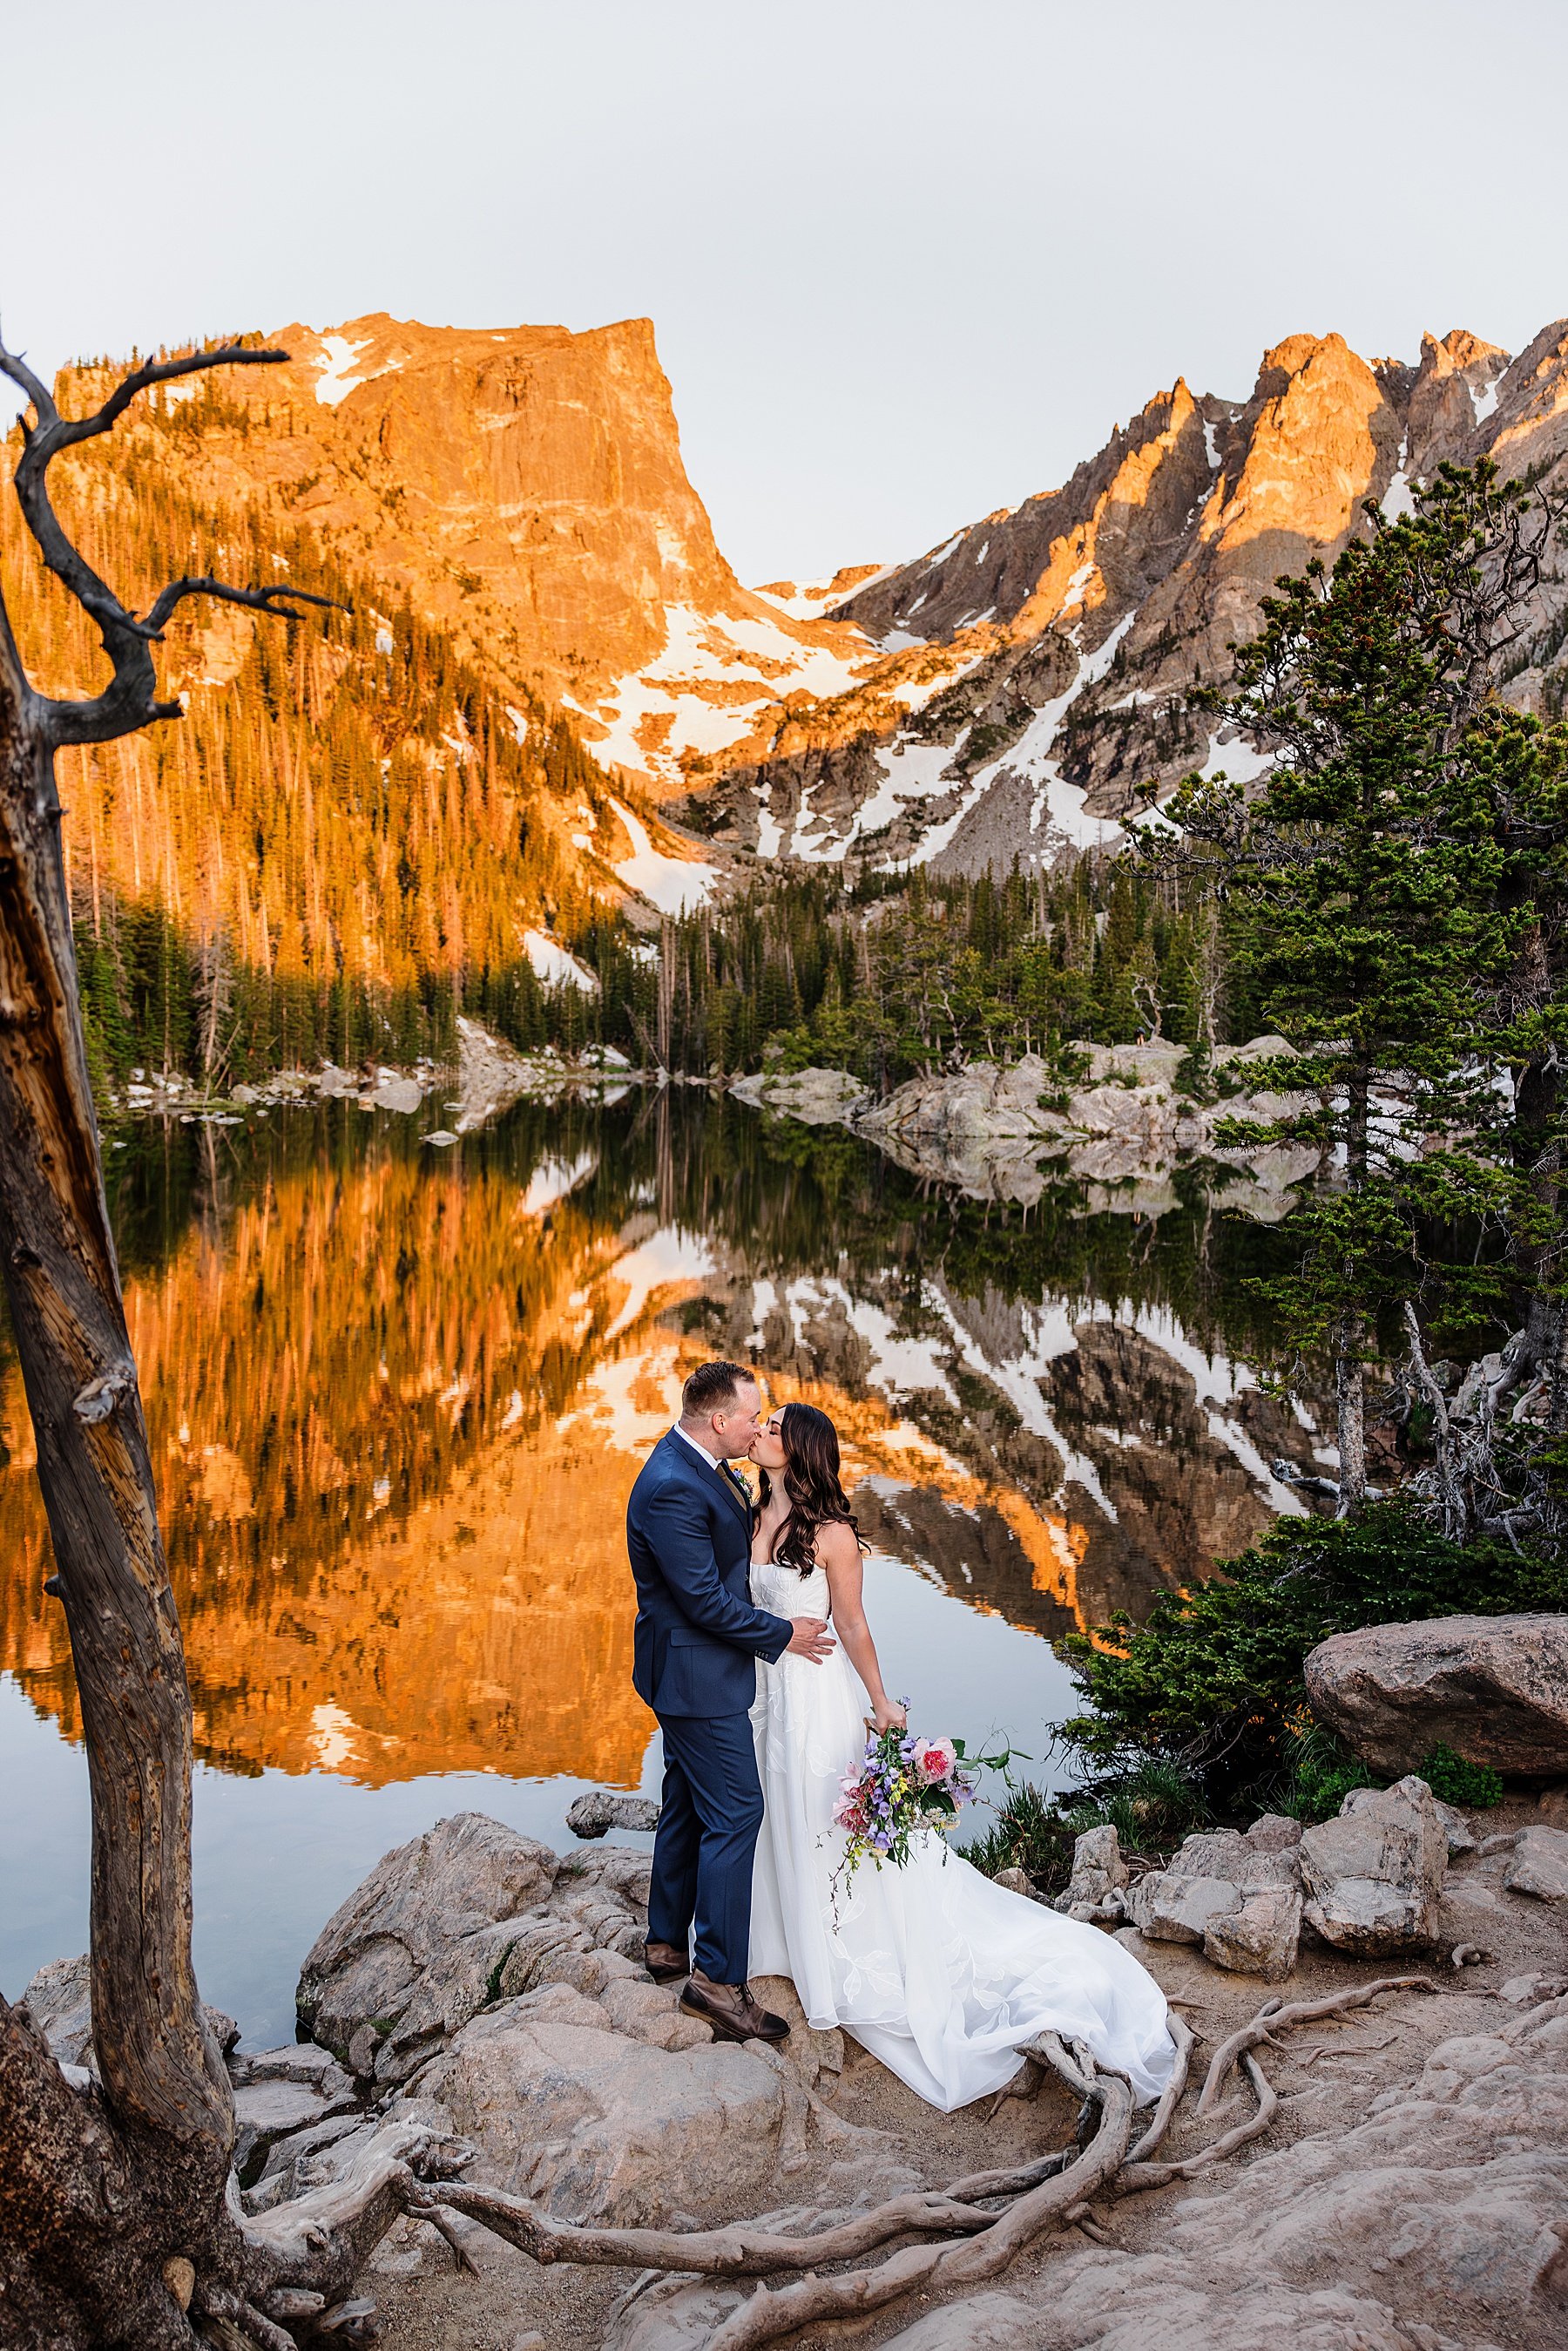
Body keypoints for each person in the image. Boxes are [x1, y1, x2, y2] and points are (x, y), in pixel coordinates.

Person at [745, 1399, 1176, 2112]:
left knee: (820, 1814)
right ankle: (788, 1940)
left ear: (801, 1449)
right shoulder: (755, 1514)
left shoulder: (833, 1534)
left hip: (816, 1696)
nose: (759, 1433)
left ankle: (836, 1951)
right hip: (767, 1694)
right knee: (776, 1810)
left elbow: (850, 1623)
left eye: (772, 1429)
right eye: (758, 1425)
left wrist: (882, 1704)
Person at [625, 1360, 835, 2044]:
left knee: (687, 1800)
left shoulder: (699, 1464)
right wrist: (784, 1634)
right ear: (719, 1421)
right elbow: (703, 1600)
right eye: (753, 1416)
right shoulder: (671, 1488)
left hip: (691, 1672)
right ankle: (716, 1982)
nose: (759, 1427)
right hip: (697, 1679)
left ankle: (664, 1943)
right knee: (737, 1811)